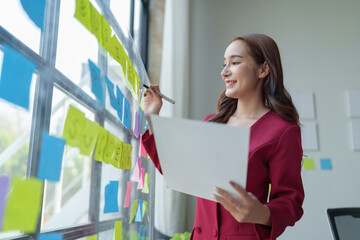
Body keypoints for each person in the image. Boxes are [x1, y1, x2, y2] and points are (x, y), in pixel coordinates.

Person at [141, 33, 304, 240]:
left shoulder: (282, 130)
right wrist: (152, 116)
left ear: (263, 69)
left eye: (234, 63)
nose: (224, 72)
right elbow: (178, 169)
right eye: (224, 64)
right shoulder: (212, 122)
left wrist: (263, 213)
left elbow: (291, 201)